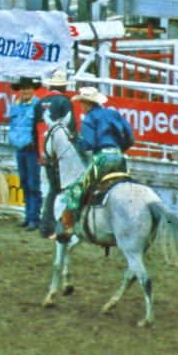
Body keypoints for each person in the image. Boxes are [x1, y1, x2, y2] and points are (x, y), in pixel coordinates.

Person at [57, 85, 135, 240]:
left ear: (87, 104)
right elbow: (130, 138)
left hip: (102, 159)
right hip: (120, 158)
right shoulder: (114, 114)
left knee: (76, 189)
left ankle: (69, 226)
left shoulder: (89, 120)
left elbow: (90, 144)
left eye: (82, 103)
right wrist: (119, 149)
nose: (82, 106)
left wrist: (77, 141)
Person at [34, 70, 77, 237]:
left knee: (53, 188)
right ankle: (51, 225)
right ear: (64, 86)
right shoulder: (65, 102)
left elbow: (34, 130)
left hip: (45, 152)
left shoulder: (40, 103)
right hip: (60, 154)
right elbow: (71, 126)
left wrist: (40, 154)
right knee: (59, 188)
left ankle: (47, 225)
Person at [8, 78, 43, 230]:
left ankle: (34, 218)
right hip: (20, 148)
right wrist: (13, 139)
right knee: (24, 182)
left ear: (33, 89)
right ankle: (28, 216)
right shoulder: (15, 106)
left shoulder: (38, 106)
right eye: (22, 89)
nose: (25, 91)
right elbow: (12, 125)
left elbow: (42, 128)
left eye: (27, 88)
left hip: (33, 150)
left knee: (33, 184)